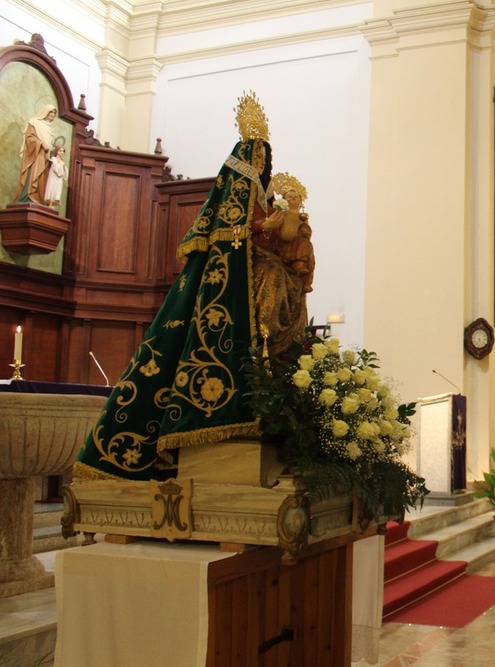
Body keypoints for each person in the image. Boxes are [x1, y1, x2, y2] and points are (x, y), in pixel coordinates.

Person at [75, 92, 276, 480]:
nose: (267, 166)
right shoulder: (233, 217)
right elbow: (235, 238)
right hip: (226, 305)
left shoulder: (261, 205)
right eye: (263, 158)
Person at [252, 171, 314, 355]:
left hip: (278, 255)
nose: (293, 200)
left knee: (294, 279)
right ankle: (267, 339)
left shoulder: (289, 213)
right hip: (261, 255)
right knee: (276, 275)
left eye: (296, 197)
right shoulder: (276, 211)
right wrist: (265, 225)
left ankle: (285, 346)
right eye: (290, 197)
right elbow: (280, 235)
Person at [16, 104, 56, 205]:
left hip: (45, 157)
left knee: (42, 178)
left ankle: (38, 198)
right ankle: (28, 196)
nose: (53, 114)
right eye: (51, 111)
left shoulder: (50, 129)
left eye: (55, 112)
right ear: (45, 112)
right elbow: (29, 137)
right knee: (33, 175)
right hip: (35, 155)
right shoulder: (35, 122)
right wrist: (41, 143)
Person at [43, 144, 66, 208]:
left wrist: (63, 165)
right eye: (60, 150)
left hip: (59, 180)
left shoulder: (63, 162)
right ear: (57, 151)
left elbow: (64, 174)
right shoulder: (53, 159)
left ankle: (53, 204)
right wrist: (60, 164)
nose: (62, 152)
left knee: (57, 190)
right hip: (53, 177)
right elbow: (57, 170)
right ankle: (49, 203)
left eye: (63, 151)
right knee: (52, 188)